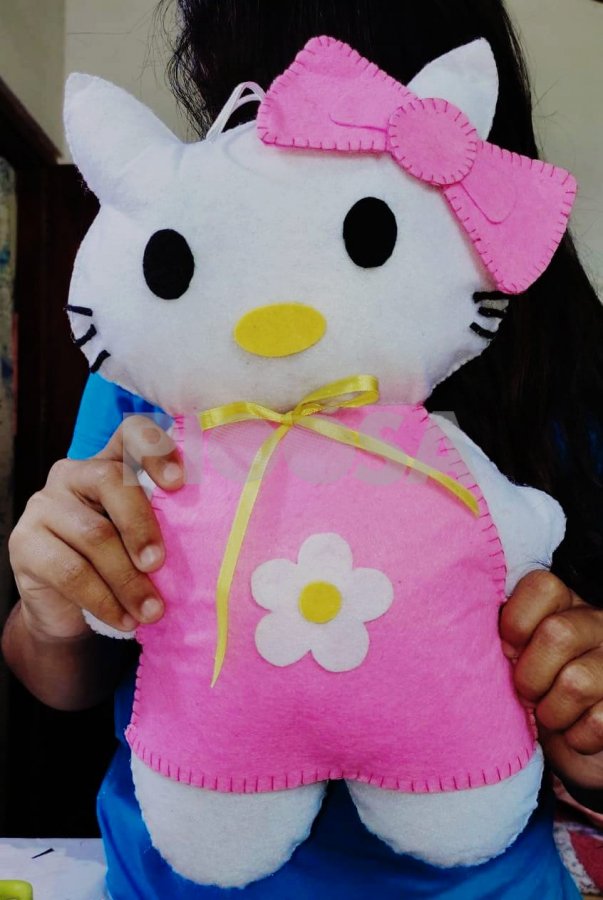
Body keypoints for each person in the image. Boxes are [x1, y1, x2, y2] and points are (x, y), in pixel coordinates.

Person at [3, 1, 603, 896]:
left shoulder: (566, 369)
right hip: (173, 874)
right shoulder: (163, 377)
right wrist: (54, 604)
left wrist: (586, 708)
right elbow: (61, 673)